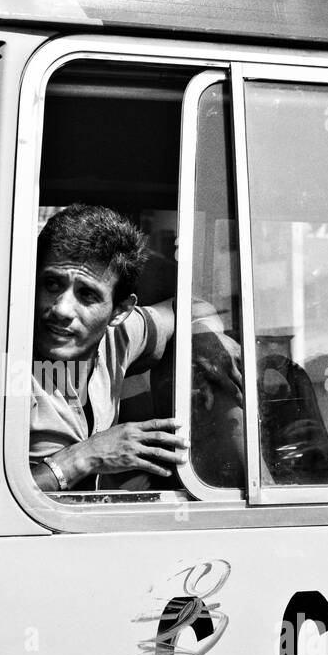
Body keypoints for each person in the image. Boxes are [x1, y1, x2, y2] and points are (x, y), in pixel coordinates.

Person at [28, 204, 239, 492]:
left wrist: (206, 340)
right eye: (52, 284)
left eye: (87, 295)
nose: (62, 309)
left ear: (119, 311)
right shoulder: (2, 360)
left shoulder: (120, 335)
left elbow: (186, 306)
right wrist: (84, 456)